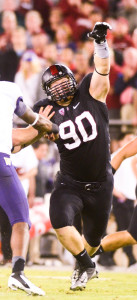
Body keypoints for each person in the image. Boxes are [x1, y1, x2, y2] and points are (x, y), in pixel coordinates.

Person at [33, 22, 114, 291]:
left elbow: (102, 70)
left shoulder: (90, 89)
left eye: (61, 81)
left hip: (102, 183)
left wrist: (100, 42)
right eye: (52, 85)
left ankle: (84, 263)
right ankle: (86, 265)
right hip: (69, 182)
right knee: (59, 218)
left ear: (72, 79)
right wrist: (36, 128)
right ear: (47, 91)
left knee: (92, 240)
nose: (58, 88)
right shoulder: (46, 110)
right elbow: (29, 133)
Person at [0, 80, 58, 296]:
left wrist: (38, 130)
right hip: (0, 161)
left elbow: (15, 139)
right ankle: (17, 273)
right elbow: (31, 119)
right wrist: (48, 126)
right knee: (21, 219)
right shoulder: (8, 89)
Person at [91, 136, 137, 258]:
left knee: (131, 236)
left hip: (129, 195)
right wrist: (105, 180)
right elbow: (123, 153)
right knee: (132, 235)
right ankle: (85, 257)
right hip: (121, 197)